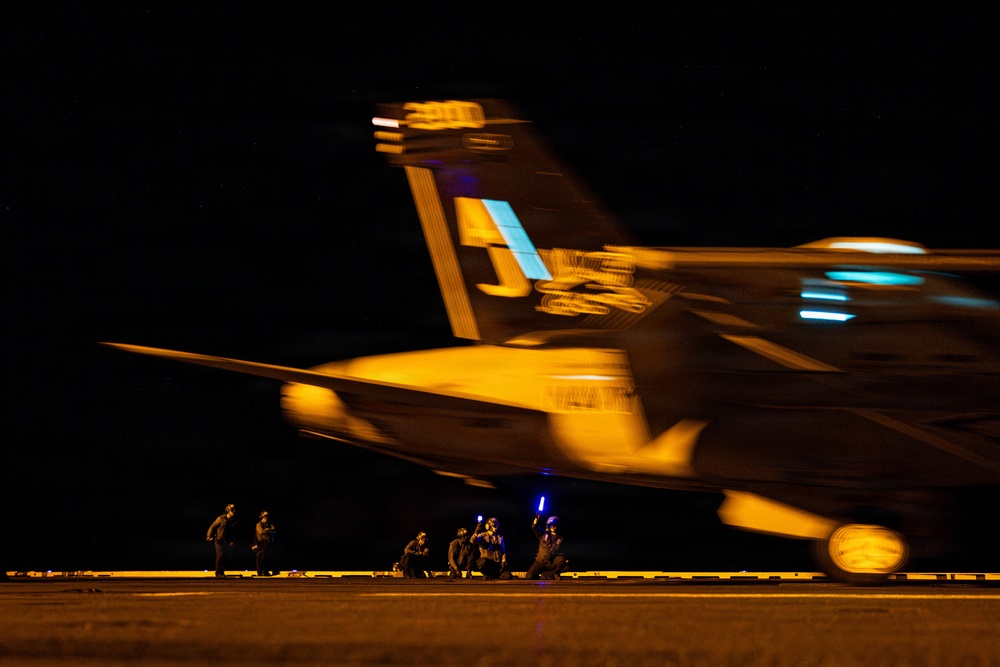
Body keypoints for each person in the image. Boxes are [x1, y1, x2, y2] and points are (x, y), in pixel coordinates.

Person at [525, 515, 569, 580]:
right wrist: (536, 518)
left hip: (551, 562)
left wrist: (565, 558)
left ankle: (555, 573)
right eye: (551, 525)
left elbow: (564, 551)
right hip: (540, 561)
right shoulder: (543, 534)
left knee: (564, 564)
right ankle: (546, 574)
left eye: (554, 525)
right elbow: (534, 527)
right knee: (529, 577)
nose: (553, 527)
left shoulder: (561, 538)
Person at [206, 503, 237, 577]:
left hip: (225, 541)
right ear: (228, 510)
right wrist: (208, 536)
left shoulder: (232, 521)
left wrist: (232, 541)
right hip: (218, 539)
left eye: (234, 510)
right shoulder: (221, 518)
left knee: (224, 556)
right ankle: (218, 572)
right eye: (232, 510)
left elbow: (233, 532)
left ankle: (222, 572)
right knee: (220, 555)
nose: (233, 512)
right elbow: (213, 526)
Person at [253, 511, 277, 576]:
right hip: (260, 543)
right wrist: (268, 530)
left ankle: (266, 572)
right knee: (260, 558)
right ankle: (259, 572)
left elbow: (274, 530)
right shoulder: (259, 524)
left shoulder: (268, 524)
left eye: (267, 517)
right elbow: (261, 532)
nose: (266, 518)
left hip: (267, 543)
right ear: (262, 517)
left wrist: (268, 529)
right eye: (265, 517)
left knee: (266, 558)